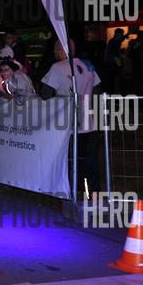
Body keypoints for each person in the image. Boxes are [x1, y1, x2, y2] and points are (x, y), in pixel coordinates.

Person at [40, 39, 102, 193]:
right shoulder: (88, 65)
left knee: (69, 158)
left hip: (67, 122)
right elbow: (97, 90)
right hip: (88, 120)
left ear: (61, 50)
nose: (54, 53)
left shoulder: (57, 67)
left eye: (56, 49)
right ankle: (92, 191)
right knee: (88, 158)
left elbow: (45, 94)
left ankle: (71, 189)